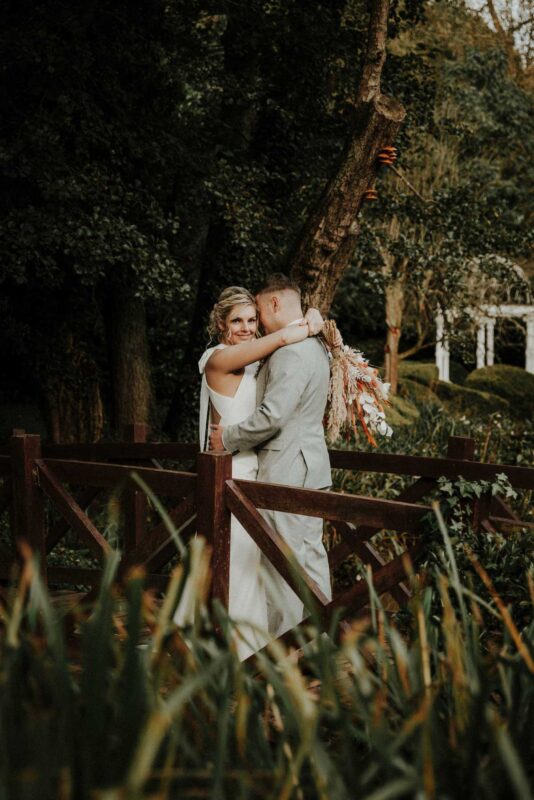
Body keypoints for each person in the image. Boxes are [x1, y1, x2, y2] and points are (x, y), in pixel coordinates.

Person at [178, 285, 323, 661]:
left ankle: (262, 641)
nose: (245, 327)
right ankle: (235, 645)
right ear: (221, 325)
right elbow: (285, 337)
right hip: (232, 467)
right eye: (237, 321)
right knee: (238, 557)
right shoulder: (218, 359)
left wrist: (310, 322)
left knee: (257, 560)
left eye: (251, 319)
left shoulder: (259, 357)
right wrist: (309, 323)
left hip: (257, 468)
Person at [209, 274, 332, 639]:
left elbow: (273, 416)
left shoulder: (292, 352)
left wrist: (227, 437)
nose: (257, 323)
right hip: (310, 464)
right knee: (310, 561)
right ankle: (318, 645)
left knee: (283, 567)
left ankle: (286, 654)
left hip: (288, 469)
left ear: (274, 304)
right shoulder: (316, 345)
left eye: (258, 312)